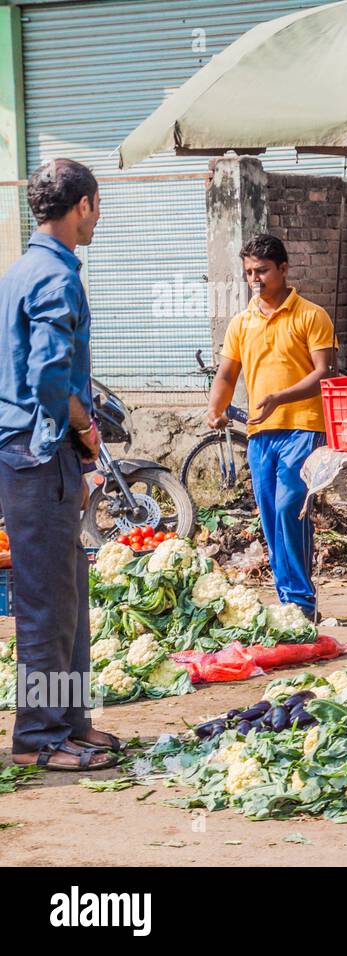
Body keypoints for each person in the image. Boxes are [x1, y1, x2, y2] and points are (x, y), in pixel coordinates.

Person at [0, 158, 120, 770]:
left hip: (38, 452)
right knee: (47, 601)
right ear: (84, 206)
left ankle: (70, 719)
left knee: (68, 595)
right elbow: (48, 378)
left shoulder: (22, 270)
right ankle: (40, 738)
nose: (99, 217)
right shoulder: (56, 278)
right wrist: (86, 427)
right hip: (39, 450)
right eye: (98, 207)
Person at [205, 234, 335, 619]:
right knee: (268, 513)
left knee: (288, 506)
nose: (255, 278)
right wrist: (216, 408)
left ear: (283, 269)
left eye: (261, 270)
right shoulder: (241, 323)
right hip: (261, 433)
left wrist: (280, 397)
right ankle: (287, 600)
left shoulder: (312, 315)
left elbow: (324, 373)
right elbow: (227, 374)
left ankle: (300, 599)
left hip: (304, 426)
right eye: (248, 272)